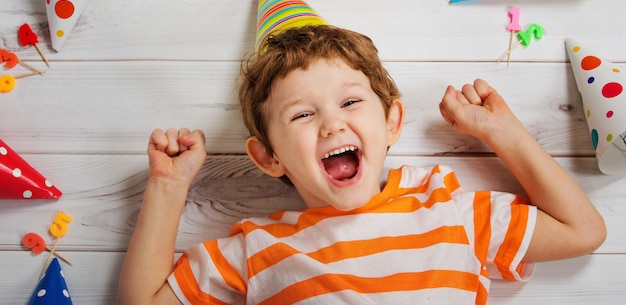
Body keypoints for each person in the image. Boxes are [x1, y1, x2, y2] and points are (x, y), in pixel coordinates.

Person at [118, 25, 606, 305]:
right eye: (304, 115)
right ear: (268, 157)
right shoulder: (259, 250)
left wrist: (502, 132)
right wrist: (167, 186)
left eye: (350, 103)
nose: (331, 125)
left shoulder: (450, 213)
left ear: (392, 121)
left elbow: (583, 231)